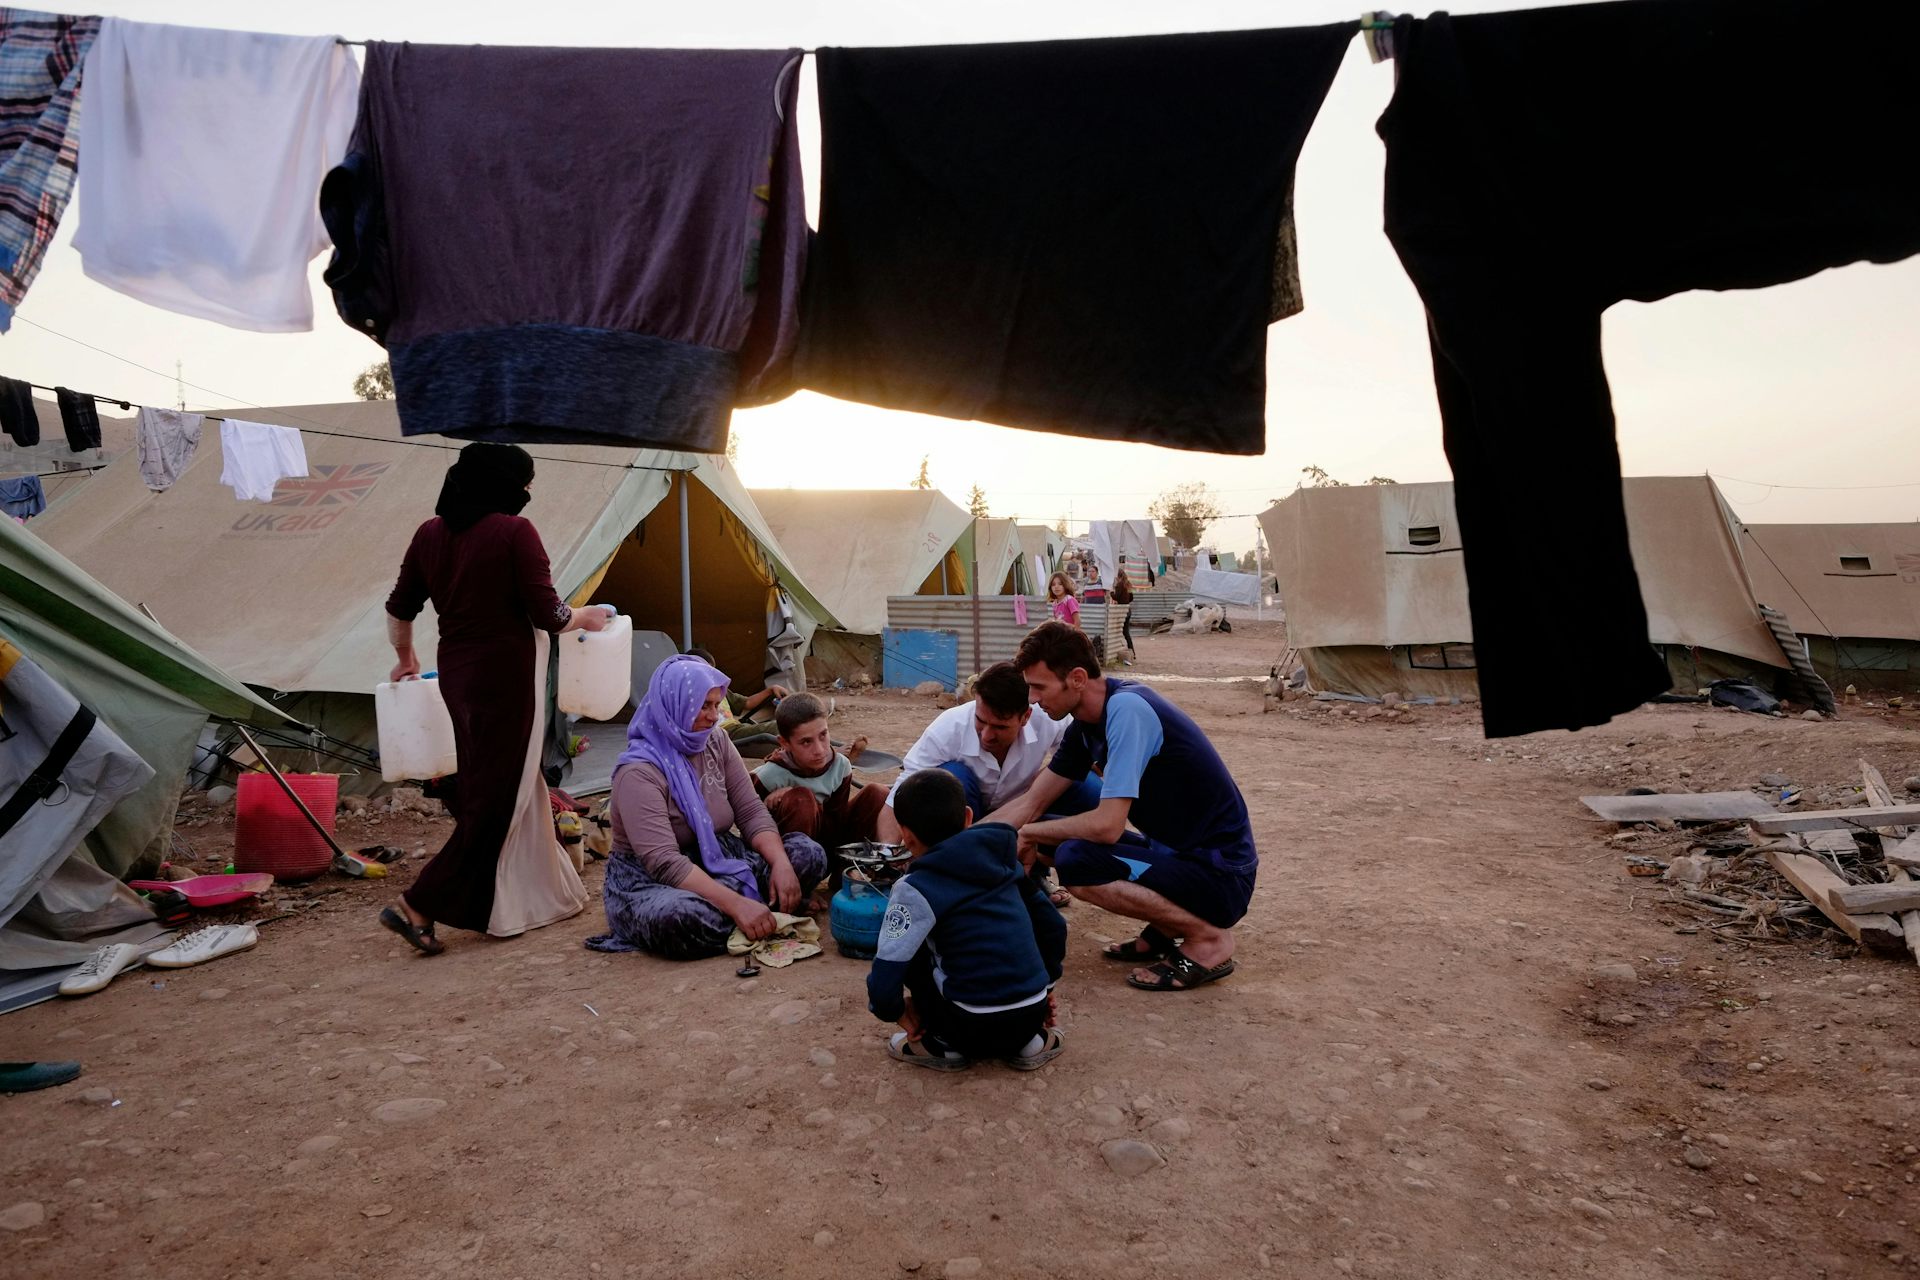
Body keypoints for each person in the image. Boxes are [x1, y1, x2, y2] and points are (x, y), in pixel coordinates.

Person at [380, 443, 600, 955]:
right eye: (524, 483)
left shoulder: (429, 533)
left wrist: (406, 657)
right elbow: (549, 613)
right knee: (497, 798)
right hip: (506, 677)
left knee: (507, 785)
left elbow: (399, 607)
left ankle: (534, 896)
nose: (527, 492)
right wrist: (585, 617)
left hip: (458, 674)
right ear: (502, 484)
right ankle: (419, 903)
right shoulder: (514, 532)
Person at [997, 620, 1256, 992]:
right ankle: (1166, 927)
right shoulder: (1084, 726)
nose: (1033, 700)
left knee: (1075, 859)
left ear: (1077, 678)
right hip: (1180, 859)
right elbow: (1031, 803)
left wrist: (1029, 832)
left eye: (1039, 687)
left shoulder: (1128, 711)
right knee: (1051, 834)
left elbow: (1107, 827)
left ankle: (1208, 940)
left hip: (1221, 877)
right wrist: (958, 844)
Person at [586, 655, 826, 960]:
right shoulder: (638, 773)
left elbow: (750, 812)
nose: (714, 716)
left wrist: (781, 864)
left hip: (721, 857)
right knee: (679, 918)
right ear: (674, 705)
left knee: (807, 855)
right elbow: (664, 862)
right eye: (704, 706)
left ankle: (750, 914)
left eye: (716, 705)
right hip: (653, 880)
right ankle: (758, 911)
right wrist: (735, 904)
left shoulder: (716, 741)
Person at [867, 768, 1067, 1071]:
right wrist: (1045, 988)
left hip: (963, 1026)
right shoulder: (1004, 862)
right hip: (1029, 1016)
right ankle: (1033, 1043)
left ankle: (941, 1045)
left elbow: (887, 967)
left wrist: (893, 1010)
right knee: (1016, 927)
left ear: (905, 835)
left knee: (913, 948)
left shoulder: (915, 887)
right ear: (969, 817)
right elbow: (1053, 927)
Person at [874, 662, 1092, 842]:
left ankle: (1042, 862)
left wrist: (1044, 780)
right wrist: (886, 853)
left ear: (1025, 716)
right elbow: (902, 793)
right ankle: (953, 860)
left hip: (1021, 812)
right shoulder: (949, 727)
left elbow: (1087, 757)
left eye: (1000, 727)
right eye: (980, 720)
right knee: (949, 777)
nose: (987, 735)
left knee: (1084, 784)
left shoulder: (1047, 720)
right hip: (964, 816)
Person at [753, 691, 888, 848]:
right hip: (788, 851)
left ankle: (858, 861)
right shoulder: (768, 776)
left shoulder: (840, 766)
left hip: (831, 843)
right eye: (806, 742)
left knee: (878, 793)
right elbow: (748, 821)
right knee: (801, 799)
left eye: (823, 735)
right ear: (785, 743)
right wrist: (778, 801)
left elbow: (837, 821)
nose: (819, 750)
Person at [686, 645, 788, 746]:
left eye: (712, 671)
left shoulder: (719, 688)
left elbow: (747, 702)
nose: (710, 675)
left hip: (737, 730)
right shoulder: (687, 693)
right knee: (779, 728)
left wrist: (770, 690)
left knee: (786, 724)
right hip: (722, 736)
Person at [1111, 570, 1137, 666]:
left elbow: (1116, 597)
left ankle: (1118, 651)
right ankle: (1132, 652)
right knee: (1126, 632)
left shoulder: (1119, 585)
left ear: (1118, 576)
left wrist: (1111, 593)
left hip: (1121, 610)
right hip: (1128, 610)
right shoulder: (1128, 584)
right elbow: (1132, 598)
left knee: (1119, 631)